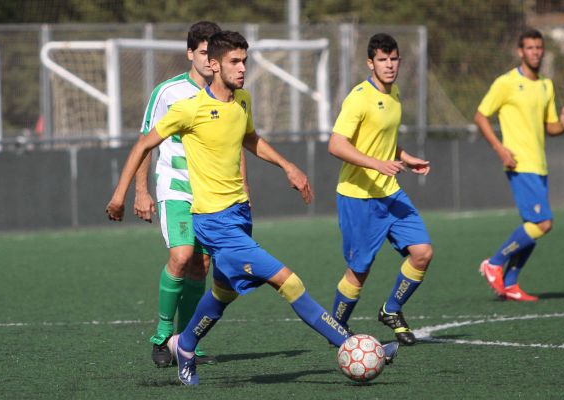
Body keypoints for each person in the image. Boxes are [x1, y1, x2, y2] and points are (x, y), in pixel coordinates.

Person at [106, 30, 398, 386]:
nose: (242, 67)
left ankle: (185, 344)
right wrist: (122, 194)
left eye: (244, 60)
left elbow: (249, 138)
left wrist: (287, 166)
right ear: (213, 65)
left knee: (221, 294)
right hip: (214, 225)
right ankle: (351, 344)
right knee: (289, 281)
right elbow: (142, 144)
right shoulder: (189, 108)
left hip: (239, 217)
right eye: (234, 61)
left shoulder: (242, 100)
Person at [328, 33, 433, 346]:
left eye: (394, 58)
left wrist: (405, 157)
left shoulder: (395, 92)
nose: (389, 65)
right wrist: (376, 163)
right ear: (370, 63)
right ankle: (336, 329)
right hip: (358, 197)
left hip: (390, 192)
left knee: (422, 253)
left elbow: (383, 140)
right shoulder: (359, 97)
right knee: (359, 271)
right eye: (383, 60)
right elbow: (336, 144)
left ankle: (391, 309)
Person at [134, 21, 223, 367]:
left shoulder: (225, 94)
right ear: (190, 54)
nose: (210, 60)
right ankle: (160, 335)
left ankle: (185, 342)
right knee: (182, 257)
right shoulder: (167, 92)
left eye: (215, 53)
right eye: (204, 52)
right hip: (175, 190)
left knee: (201, 267)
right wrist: (140, 191)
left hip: (211, 195)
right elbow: (144, 143)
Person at [474, 28, 564, 301]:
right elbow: (481, 116)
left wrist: (562, 126)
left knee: (532, 226)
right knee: (543, 223)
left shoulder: (546, 85)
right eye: (530, 48)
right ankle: (494, 263)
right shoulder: (505, 83)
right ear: (520, 51)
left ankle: (510, 283)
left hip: (539, 164)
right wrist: (500, 149)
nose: (535, 52)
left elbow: (549, 126)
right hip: (519, 163)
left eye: (539, 48)